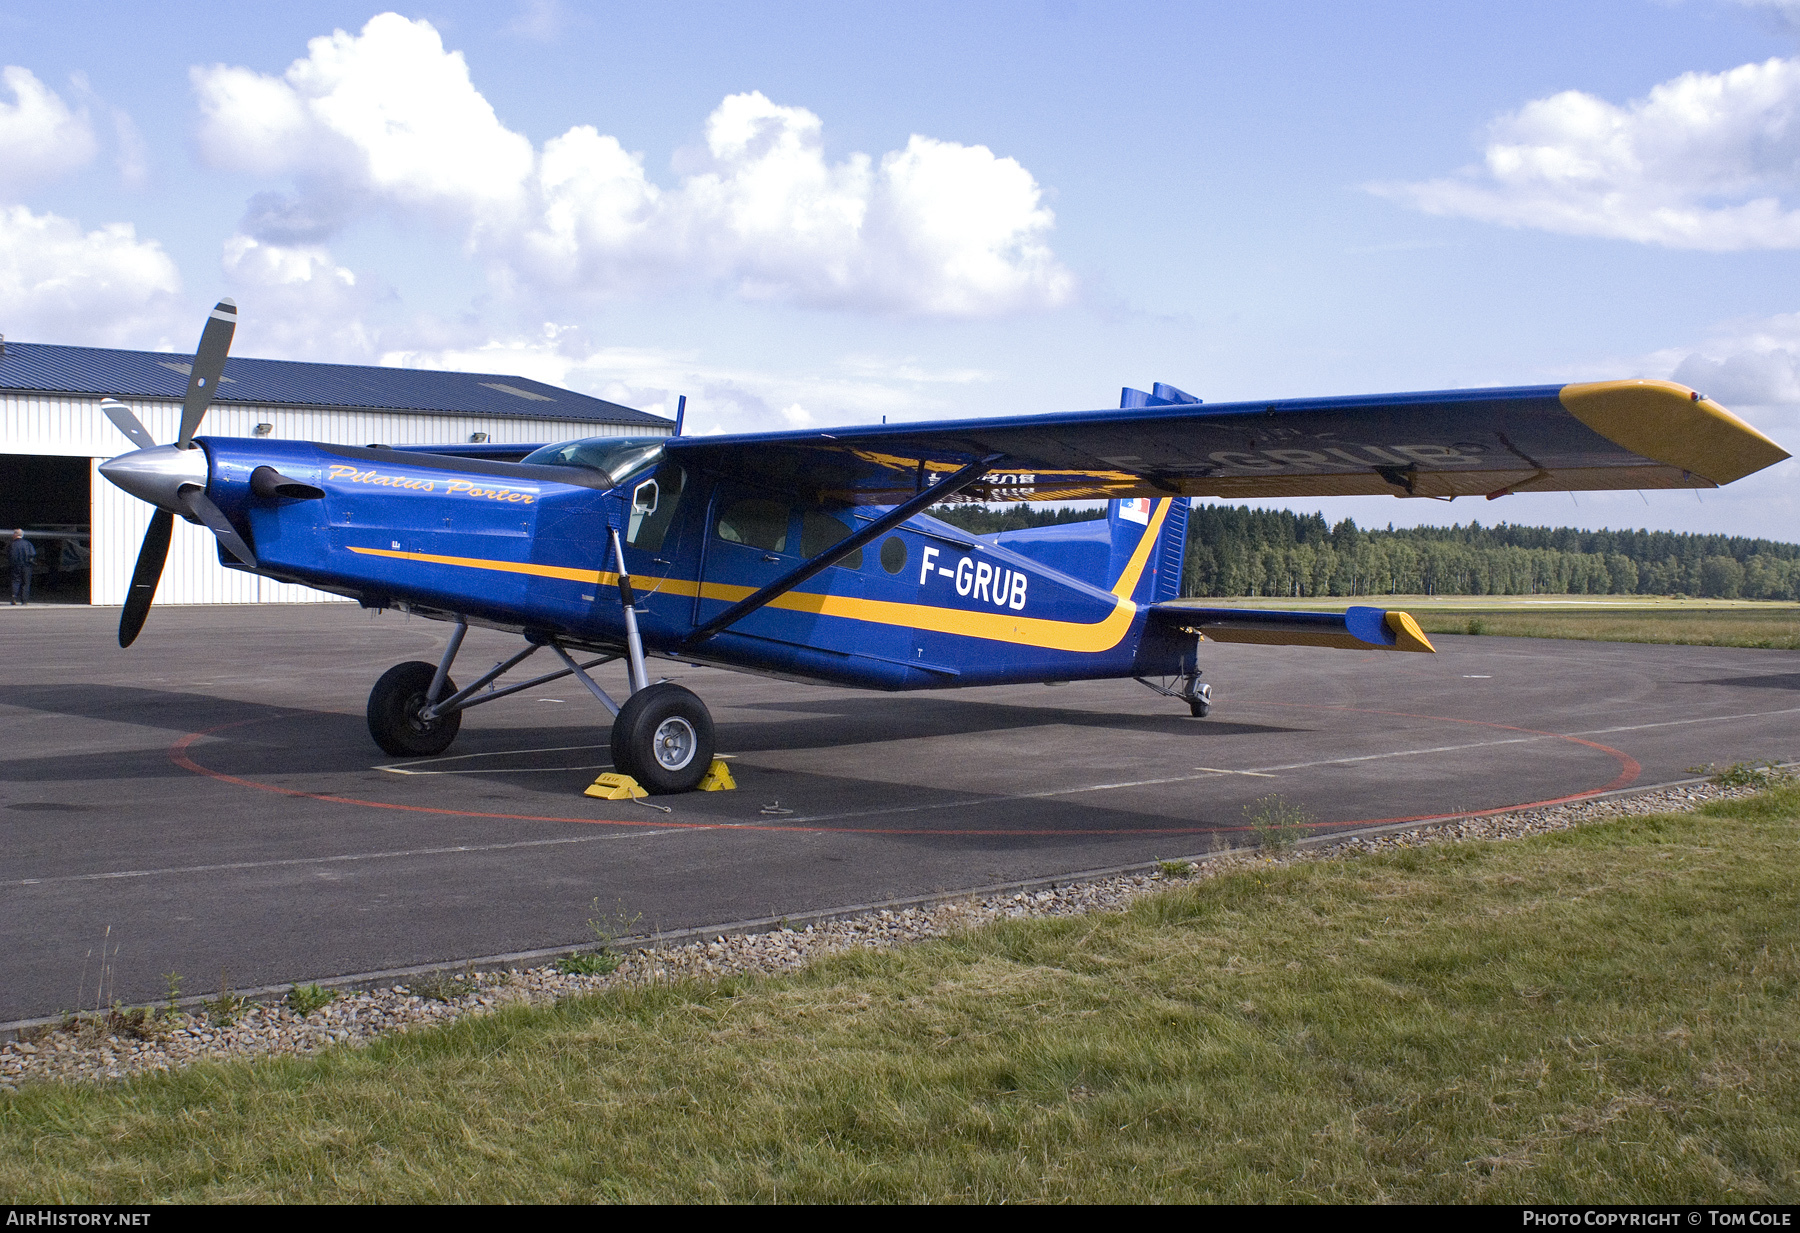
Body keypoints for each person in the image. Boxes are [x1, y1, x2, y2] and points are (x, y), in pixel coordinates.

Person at [9, 530, 35, 605]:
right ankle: (24, 600)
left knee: (15, 581)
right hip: (26, 566)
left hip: (16, 565)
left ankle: (14, 597)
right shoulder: (28, 543)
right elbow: (33, 553)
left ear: (15, 535)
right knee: (26, 583)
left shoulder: (12, 544)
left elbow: (9, 554)